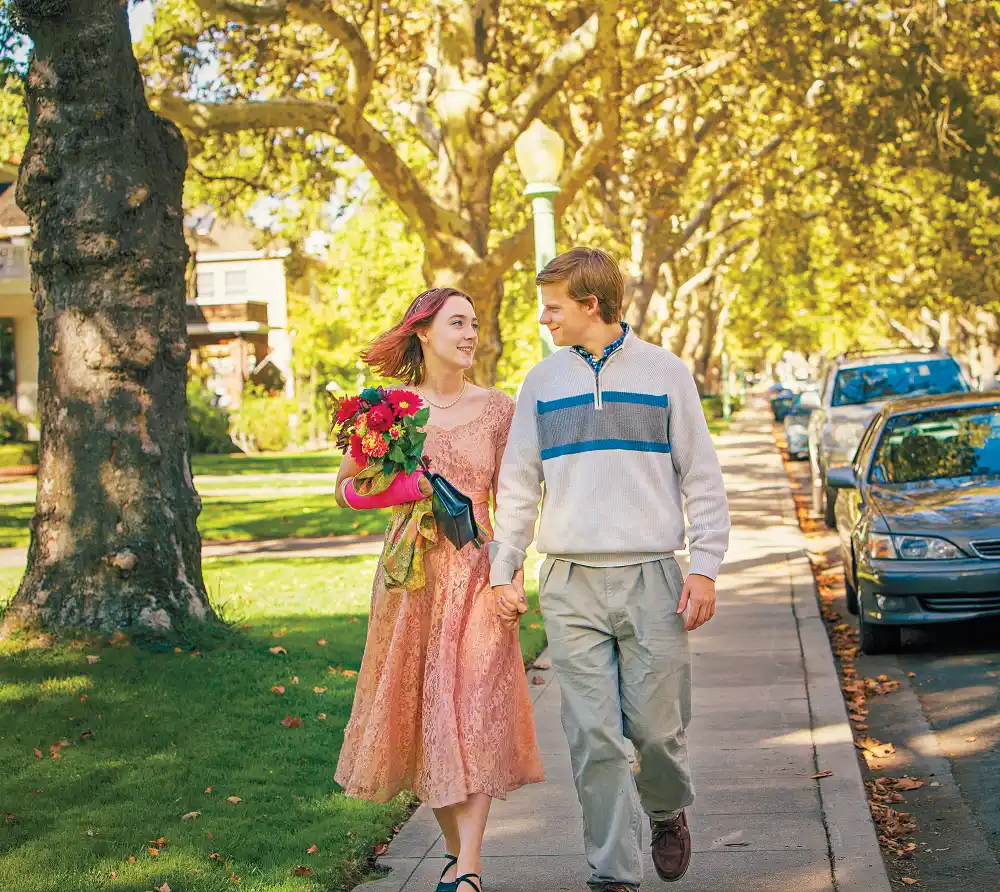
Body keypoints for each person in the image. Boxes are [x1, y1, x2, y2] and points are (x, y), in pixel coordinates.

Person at [490, 248, 730, 891]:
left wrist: (703, 568)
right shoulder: (540, 383)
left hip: (654, 576)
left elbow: (701, 476)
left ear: (591, 304)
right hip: (569, 581)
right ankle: (611, 874)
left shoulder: (665, 373)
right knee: (593, 736)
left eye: (553, 306)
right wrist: (504, 569)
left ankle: (666, 810)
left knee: (657, 731)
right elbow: (517, 484)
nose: (544, 318)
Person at [334, 288, 544, 892]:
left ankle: (470, 868)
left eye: (475, 324)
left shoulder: (501, 410)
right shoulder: (390, 411)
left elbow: (517, 505)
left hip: (478, 573)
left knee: (474, 709)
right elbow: (345, 489)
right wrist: (393, 493)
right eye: (457, 323)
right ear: (423, 332)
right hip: (412, 579)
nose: (471, 333)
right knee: (430, 716)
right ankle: (458, 860)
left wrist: (511, 576)